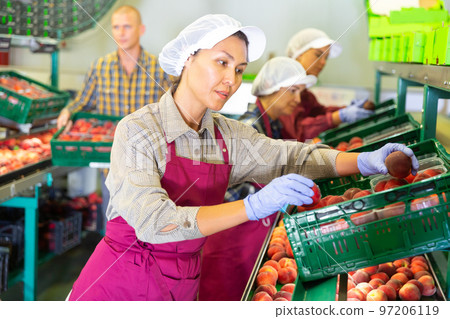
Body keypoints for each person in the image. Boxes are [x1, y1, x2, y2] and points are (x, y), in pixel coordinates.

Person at [66, 14, 418, 301]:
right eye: (221, 62)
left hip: (183, 282)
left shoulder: (224, 133)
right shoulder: (139, 130)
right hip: (119, 287)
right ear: (189, 58)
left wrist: (363, 161)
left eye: (238, 69)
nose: (230, 79)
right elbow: (154, 221)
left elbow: (288, 156)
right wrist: (251, 207)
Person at [198, 57, 317, 301]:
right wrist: (261, 196)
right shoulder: (249, 127)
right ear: (271, 89)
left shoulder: (269, 125)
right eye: (293, 91)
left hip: (246, 243)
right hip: (227, 244)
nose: (298, 99)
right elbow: (220, 192)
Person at [56, 5, 172, 232]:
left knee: (150, 229)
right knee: (115, 230)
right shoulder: (100, 68)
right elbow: (83, 102)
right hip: (112, 168)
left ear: (141, 29)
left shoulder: (159, 69)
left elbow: (175, 107)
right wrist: (67, 112)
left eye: (127, 26)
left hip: (150, 167)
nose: (121, 32)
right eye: (116, 27)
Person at [279, 28, 375, 142]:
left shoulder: (305, 95)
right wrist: (339, 116)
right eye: (318, 55)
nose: (323, 62)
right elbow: (299, 131)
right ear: (299, 54)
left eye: (326, 58)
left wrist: (346, 109)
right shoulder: (284, 89)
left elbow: (319, 112)